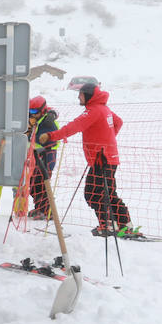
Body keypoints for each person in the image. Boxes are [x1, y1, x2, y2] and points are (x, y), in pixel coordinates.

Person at [39, 82, 135, 237]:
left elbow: (73, 127)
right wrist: (107, 140)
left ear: (89, 95)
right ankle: (124, 224)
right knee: (108, 193)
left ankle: (108, 226)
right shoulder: (104, 109)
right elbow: (118, 122)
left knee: (94, 194)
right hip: (107, 158)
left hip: (101, 159)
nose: (78, 96)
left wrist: (50, 136)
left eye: (81, 94)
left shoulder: (93, 111)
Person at [26, 96, 60, 217]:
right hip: (37, 154)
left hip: (47, 155)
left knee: (42, 183)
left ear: (42, 110)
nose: (31, 114)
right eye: (30, 111)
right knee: (34, 183)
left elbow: (48, 141)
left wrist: (29, 142)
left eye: (34, 112)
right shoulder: (39, 119)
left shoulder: (48, 123)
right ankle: (40, 208)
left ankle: (47, 211)